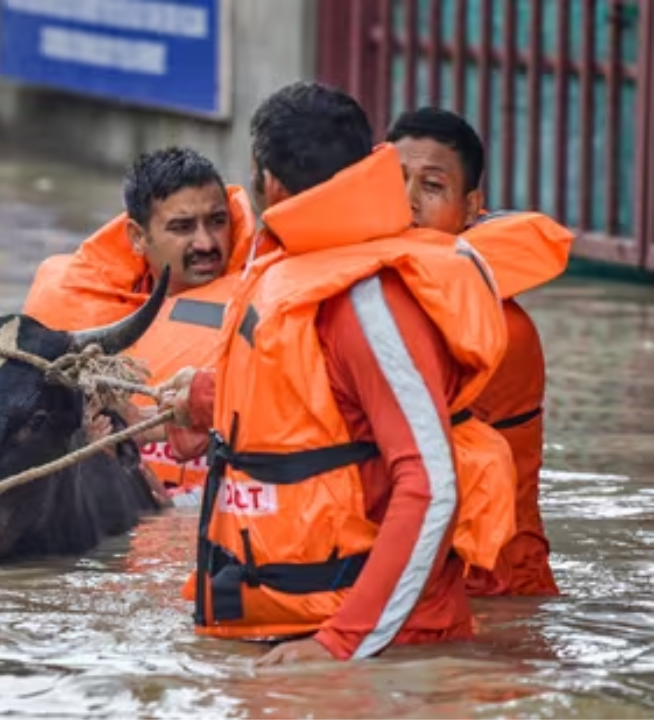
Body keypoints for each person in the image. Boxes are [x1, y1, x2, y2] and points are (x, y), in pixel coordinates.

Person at [157, 82, 516, 665]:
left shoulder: (369, 299)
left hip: (380, 653)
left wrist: (340, 645)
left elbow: (430, 486)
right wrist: (204, 402)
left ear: (266, 183)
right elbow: (314, 410)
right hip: (287, 630)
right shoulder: (293, 272)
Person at [386, 107, 572, 597]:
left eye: (430, 187)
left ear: (471, 209)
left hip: (496, 592)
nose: (407, 203)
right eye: (395, 181)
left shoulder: (499, 328)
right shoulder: (384, 297)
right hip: (432, 577)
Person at [23, 147, 265, 501]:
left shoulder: (267, 301)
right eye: (182, 227)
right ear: (137, 237)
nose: (207, 243)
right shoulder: (72, 305)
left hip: (211, 511)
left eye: (217, 221)